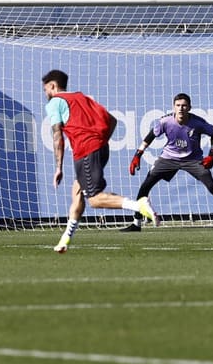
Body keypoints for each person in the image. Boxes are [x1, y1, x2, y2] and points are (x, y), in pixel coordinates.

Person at [43, 70, 158, 253]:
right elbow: (111, 120)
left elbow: (57, 135)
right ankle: (65, 239)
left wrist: (58, 167)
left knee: (95, 199)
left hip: (86, 150)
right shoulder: (81, 97)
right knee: (77, 191)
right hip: (100, 148)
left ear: (52, 86)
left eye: (45, 89)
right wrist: (100, 142)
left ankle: (139, 205)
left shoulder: (55, 102)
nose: (46, 94)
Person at [123, 93, 213, 231]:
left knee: (211, 186)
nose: (181, 108)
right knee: (145, 186)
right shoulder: (165, 122)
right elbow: (150, 136)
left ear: (189, 107)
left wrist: (212, 154)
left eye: (184, 105)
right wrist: (138, 155)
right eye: (178, 105)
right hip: (169, 158)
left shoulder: (198, 123)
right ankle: (136, 223)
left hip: (193, 160)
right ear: (173, 107)